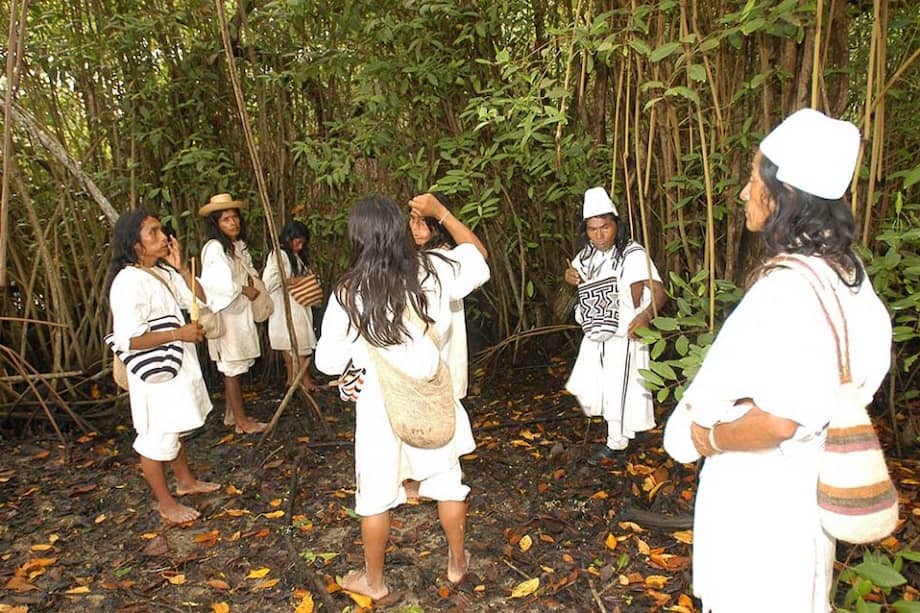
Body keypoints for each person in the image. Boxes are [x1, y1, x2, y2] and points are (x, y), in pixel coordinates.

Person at [663, 108, 892, 612]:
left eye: (752, 179)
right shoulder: (849, 278)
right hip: (806, 495)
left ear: (783, 193)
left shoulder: (785, 291)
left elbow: (780, 420)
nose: (745, 193)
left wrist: (709, 438)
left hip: (761, 506)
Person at [314, 193, 489, 600]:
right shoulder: (434, 269)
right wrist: (441, 214)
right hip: (430, 393)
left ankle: (374, 582)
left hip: (379, 405)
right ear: (397, 230)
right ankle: (457, 563)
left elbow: (326, 360)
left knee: (375, 495)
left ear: (357, 238)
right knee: (447, 481)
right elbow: (478, 257)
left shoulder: (349, 291)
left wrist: (356, 360)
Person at [107, 209, 220, 523]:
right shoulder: (128, 282)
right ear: (134, 244)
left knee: (175, 425)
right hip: (155, 372)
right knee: (155, 435)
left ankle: (185, 482)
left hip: (175, 367)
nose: (163, 237)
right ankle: (165, 503)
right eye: (153, 233)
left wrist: (181, 268)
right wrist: (178, 333)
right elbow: (128, 338)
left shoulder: (164, 272)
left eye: (161, 230)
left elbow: (200, 299)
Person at [564, 187, 667, 461]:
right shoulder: (588, 254)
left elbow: (658, 291)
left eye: (605, 228)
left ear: (616, 225)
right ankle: (620, 434)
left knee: (621, 386)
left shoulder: (632, 254)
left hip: (625, 332)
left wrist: (644, 316)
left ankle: (616, 442)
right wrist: (570, 276)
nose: (599, 235)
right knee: (597, 385)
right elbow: (574, 273)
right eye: (592, 229)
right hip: (597, 331)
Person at [198, 193, 268, 434]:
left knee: (237, 366)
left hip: (240, 315)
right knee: (232, 370)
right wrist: (243, 288)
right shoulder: (215, 249)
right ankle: (242, 422)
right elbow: (216, 286)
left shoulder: (236, 247)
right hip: (227, 317)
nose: (232, 223)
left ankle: (231, 415)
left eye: (234, 218)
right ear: (216, 224)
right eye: (226, 219)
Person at [262, 220, 319, 391]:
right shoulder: (279, 255)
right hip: (285, 307)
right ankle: (303, 381)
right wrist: (293, 281)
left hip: (298, 305)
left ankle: (293, 380)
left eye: (303, 243)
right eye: (298, 242)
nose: (300, 246)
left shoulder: (295, 256)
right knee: (297, 345)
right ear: (288, 238)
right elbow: (269, 281)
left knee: (297, 343)